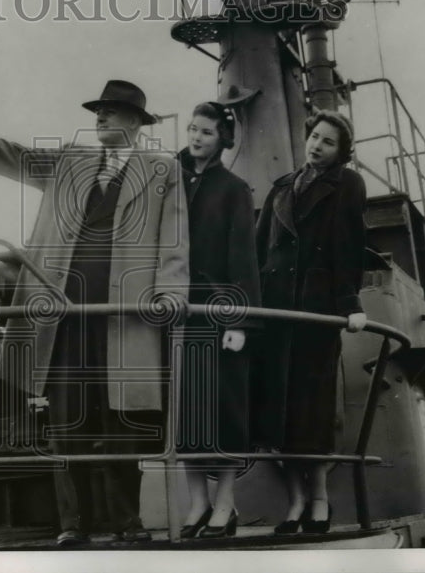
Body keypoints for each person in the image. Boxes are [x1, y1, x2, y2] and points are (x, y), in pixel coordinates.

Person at [0, 79, 189, 547]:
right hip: (63, 316)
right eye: (98, 111)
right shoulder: (71, 159)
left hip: (122, 316)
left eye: (110, 111)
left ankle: (126, 522)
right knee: (66, 420)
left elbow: (176, 238)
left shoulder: (162, 169)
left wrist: (170, 293)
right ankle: (74, 523)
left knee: (121, 423)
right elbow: (16, 158)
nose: (100, 118)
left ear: (135, 121)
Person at [253, 109, 368, 535]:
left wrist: (350, 302)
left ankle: (319, 498)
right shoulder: (281, 187)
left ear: (342, 151)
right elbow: (259, 249)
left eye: (328, 142)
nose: (317, 145)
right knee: (276, 409)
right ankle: (296, 501)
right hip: (276, 310)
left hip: (316, 312)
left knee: (311, 409)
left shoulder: (348, 184)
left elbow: (349, 246)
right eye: (315, 137)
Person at [174, 102, 261, 539]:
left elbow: (242, 260)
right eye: (192, 129)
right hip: (176, 312)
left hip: (216, 312)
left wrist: (239, 322)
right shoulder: (170, 181)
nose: (196, 138)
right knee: (187, 414)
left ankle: (226, 505)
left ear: (222, 139)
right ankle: (197, 505)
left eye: (206, 132)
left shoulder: (233, 189)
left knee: (223, 410)